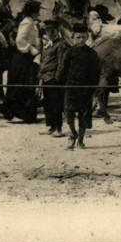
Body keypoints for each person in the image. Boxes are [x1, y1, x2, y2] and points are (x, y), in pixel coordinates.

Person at [58, 22, 101, 150]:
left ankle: (81, 140)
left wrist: (92, 89)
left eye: (83, 37)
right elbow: (62, 70)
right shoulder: (69, 52)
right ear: (73, 37)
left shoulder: (92, 54)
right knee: (69, 114)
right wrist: (60, 82)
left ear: (87, 37)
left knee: (84, 115)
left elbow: (96, 73)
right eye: (78, 37)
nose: (81, 40)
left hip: (85, 91)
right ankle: (72, 134)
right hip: (70, 89)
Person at [4, 0, 42, 123]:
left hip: (26, 57)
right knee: (23, 84)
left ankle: (27, 114)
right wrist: (32, 49)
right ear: (32, 12)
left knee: (27, 84)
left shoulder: (31, 21)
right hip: (23, 57)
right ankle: (22, 113)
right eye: (37, 12)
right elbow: (20, 39)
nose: (39, 14)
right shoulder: (28, 22)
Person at [39, 19, 67, 137]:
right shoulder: (47, 45)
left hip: (54, 79)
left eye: (53, 31)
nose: (50, 33)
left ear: (58, 31)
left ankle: (59, 129)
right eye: (48, 30)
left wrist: (57, 78)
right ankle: (51, 126)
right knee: (48, 103)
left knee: (56, 104)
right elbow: (42, 61)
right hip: (46, 78)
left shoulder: (61, 45)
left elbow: (61, 63)